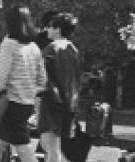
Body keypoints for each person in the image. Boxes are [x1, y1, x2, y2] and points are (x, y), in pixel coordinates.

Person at [0, 4, 47, 162]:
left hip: (11, 103)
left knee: (23, 148)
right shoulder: (34, 48)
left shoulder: (8, 44)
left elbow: (1, 76)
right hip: (26, 104)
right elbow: (42, 80)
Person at [38, 13, 82, 162]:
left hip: (51, 103)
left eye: (50, 26)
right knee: (52, 146)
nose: (47, 29)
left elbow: (42, 79)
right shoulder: (73, 50)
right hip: (70, 103)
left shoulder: (50, 49)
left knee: (51, 147)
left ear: (57, 29)